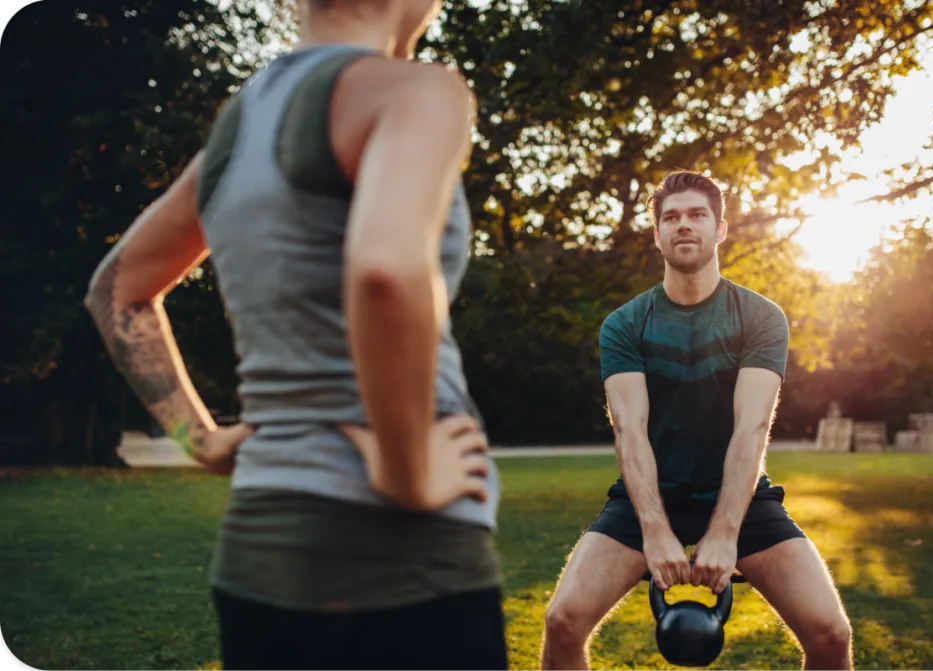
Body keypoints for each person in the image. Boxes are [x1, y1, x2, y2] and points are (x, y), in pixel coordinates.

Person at [84, 1, 507, 669]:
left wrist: (200, 439)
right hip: (401, 557)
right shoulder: (421, 91)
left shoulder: (237, 129)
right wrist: (408, 476)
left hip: (258, 553)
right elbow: (385, 272)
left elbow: (115, 290)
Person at [540, 171, 854, 671]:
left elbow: (752, 428)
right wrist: (655, 529)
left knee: (830, 634)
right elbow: (630, 429)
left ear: (720, 229)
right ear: (658, 234)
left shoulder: (760, 317)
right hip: (646, 495)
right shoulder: (624, 324)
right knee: (562, 622)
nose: (683, 225)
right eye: (671, 217)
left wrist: (726, 531)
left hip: (739, 496)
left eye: (696, 215)